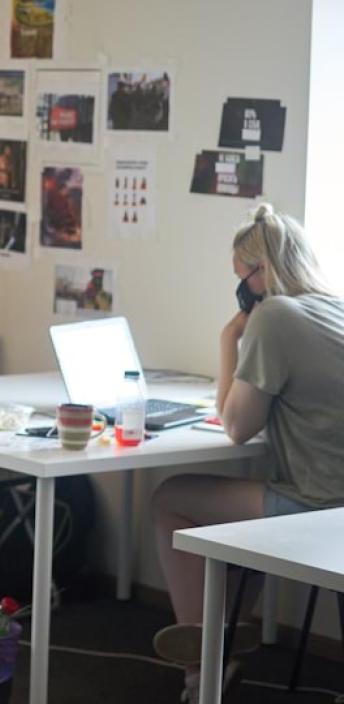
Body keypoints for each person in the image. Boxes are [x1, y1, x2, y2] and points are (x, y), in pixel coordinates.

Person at [151, 204, 344, 701]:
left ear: (263, 273)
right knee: (238, 521)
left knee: (170, 498)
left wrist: (229, 338)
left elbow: (236, 426)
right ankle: (224, 634)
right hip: (337, 506)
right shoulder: (335, 307)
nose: (242, 290)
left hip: (318, 506)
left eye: (243, 279)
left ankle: (200, 666)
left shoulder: (275, 316)